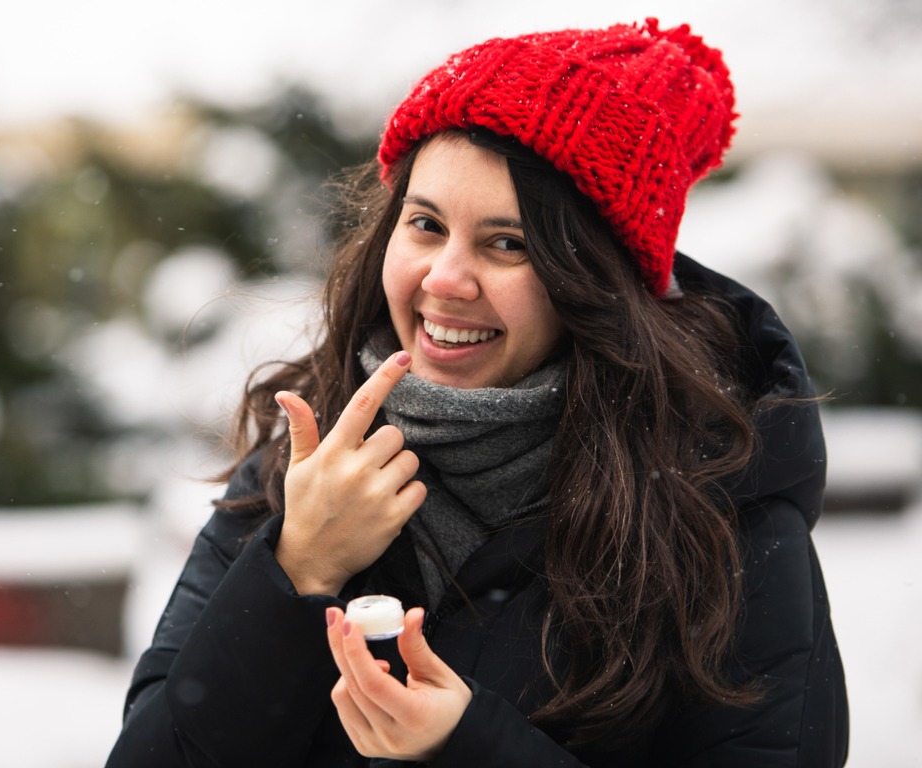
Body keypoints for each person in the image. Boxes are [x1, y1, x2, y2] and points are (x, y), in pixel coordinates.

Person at [106, 18, 848, 767]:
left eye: (508, 244)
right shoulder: (305, 475)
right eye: (425, 224)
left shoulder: (720, 513)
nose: (445, 280)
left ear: (596, 286)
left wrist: (470, 747)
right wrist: (296, 567)